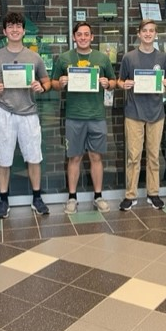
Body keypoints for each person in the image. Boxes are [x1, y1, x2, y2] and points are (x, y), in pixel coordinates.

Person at [0, 12, 51, 219]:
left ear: (23, 30)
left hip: (29, 113)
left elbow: (47, 82)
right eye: (10, 26)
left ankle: (37, 198)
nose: (14, 30)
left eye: (18, 26)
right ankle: (4, 200)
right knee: (3, 159)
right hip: (4, 113)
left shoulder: (34, 57)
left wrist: (41, 87)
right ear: (4, 31)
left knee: (34, 158)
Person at [51, 21, 116, 214]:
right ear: (74, 37)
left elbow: (114, 81)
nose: (83, 37)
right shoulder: (64, 58)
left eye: (87, 34)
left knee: (96, 156)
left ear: (92, 37)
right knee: (74, 157)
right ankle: (72, 198)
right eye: (79, 34)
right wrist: (61, 82)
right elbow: (53, 83)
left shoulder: (102, 58)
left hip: (96, 116)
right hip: (74, 116)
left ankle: (98, 196)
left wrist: (107, 83)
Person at [117, 19, 166, 210]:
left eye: (151, 31)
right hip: (134, 112)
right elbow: (120, 81)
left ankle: (153, 193)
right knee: (133, 156)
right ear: (139, 34)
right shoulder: (129, 57)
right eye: (145, 31)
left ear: (156, 34)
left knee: (154, 155)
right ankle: (130, 195)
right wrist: (123, 84)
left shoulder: (163, 57)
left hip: (156, 113)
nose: (148, 34)